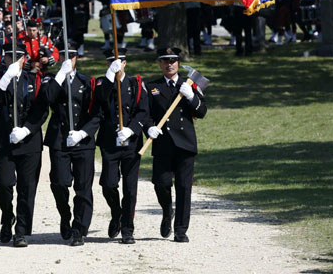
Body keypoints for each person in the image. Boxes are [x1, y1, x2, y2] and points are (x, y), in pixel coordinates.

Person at [83, 48, 150, 244]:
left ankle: (128, 229)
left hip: (130, 143)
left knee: (130, 189)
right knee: (108, 184)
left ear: (125, 63)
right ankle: (117, 213)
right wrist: (110, 76)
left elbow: (143, 111)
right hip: (109, 142)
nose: (116, 64)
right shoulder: (102, 83)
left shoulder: (136, 84)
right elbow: (100, 101)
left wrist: (132, 129)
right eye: (111, 62)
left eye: (119, 62)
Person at [32, 40, 96, 246]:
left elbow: (97, 114)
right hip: (60, 138)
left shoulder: (87, 83)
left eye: (72, 56)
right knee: (59, 182)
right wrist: (60, 75)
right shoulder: (52, 79)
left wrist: (83, 133)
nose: (68, 60)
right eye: (64, 56)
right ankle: (65, 214)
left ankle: (79, 229)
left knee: (83, 186)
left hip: (82, 141)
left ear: (77, 58)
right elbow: (47, 98)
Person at [145, 47, 207, 243]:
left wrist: (190, 96)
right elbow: (144, 114)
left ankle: (181, 229)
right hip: (163, 143)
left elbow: (202, 112)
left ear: (178, 63)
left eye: (173, 60)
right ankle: (167, 211)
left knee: (183, 187)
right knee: (160, 183)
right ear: (160, 64)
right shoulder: (151, 86)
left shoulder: (188, 85)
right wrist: (149, 128)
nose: (169, 64)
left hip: (185, 144)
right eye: (165, 60)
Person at [0, 43, 43, 247]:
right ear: (5, 59)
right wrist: (6, 78)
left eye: (18, 57)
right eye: (10, 57)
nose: (14, 61)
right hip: (4, 139)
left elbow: (41, 109)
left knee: (27, 187)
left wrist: (27, 129)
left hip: (29, 141)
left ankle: (21, 231)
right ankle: (7, 216)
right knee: (3, 182)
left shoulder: (34, 79)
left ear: (24, 59)